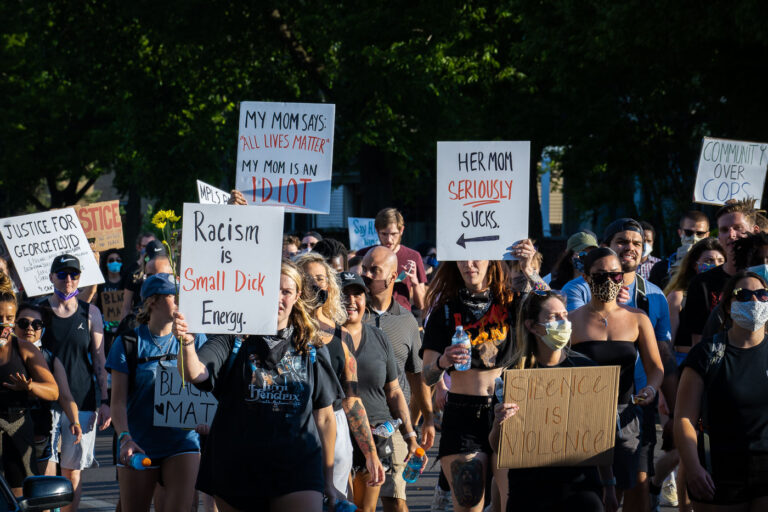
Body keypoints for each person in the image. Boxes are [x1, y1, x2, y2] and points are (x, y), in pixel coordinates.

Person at [174, 261, 341, 512]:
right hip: (237, 467)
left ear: (297, 296)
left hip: (297, 467)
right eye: (272, 289)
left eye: (286, 291)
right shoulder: (233, 337)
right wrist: (187, 343)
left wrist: (328, 481)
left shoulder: (311, 346)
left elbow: (326, 419)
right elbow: (195, 372)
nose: (278, 298)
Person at [420, 244, 537, 512]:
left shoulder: (511, 301)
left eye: (476, 257)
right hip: (463, 415)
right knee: (469, 504)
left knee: (513, 503)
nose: (468, 263)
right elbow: (427, 376)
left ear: (492, 261)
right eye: (461, 257)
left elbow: (549, 301)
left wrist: (529, 269)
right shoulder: (444, 311)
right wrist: (443, 361)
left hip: (508, 410)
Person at [490, 290, 617, 512]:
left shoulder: (587, 372)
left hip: (581, 489)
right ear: (531, 326)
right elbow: (496, 446)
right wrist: (498, 422)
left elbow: (600, 439)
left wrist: (610, 486)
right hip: (529, 492)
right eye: (553, 317)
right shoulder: (513, 376)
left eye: (565, 315)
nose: (563, 323)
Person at [569, 247, 664, 512]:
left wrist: (652, 389)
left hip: (626, 414)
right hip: (583, 415)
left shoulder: (636, 318)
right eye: (601, 276)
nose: (609, 282)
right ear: (586, 278)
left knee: (622, 489)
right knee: (591, 495)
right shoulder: (571, 321)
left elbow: (655, 367)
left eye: (616, 276)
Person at [107, 273, 205, 512]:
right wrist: (125, 438)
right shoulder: (128, 343)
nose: (182, 301)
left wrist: (205, 417)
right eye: (175, 295)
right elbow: (117, 402)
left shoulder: (196, 338)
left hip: (182, 441)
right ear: (153, 300)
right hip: (140, 443)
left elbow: (206, 384)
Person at [675, 270, 768, 510]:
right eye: (743, 295)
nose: (754, 301)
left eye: (762, 294)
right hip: (720, 470)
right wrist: (693, 468)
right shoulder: (707, 353)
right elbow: (684, 418)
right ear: (728, 307)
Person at [296, 253, 385, 497]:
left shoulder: (341, 335)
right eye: (307, 278)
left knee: (336, 499)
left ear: (329, 285)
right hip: (293, 427)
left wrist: (370, 454)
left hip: (334, 429)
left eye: (320, 278)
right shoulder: (284, 330)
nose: (315, 284)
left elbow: (352, 399)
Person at [360, 246, 435, 512]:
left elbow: (416, 375)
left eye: (374, 270)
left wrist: (427, 418)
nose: (367, 274)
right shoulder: (351, 314)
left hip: (393, 425)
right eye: (365, 268)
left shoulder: (407, 322)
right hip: (354, 424)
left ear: (393, 277)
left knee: (396, 502)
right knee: (359, 504)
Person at [340, 272, 423, 512]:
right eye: (344, 295)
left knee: (366, 509)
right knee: (344, 507)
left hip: (376, 435)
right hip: (339, 435)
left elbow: (394, 391)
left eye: (357, 294)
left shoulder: (379, 338)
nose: (351, 301)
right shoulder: (326, 340)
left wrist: (410, 437)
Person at [41, 254, 111, 512]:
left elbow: (99, 360)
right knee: (46, 474)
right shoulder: (40, 312)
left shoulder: (90, 312)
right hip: (47, 402)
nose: (68, 280)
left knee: (72, 474)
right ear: (51, 277)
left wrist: (105, 401)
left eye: (74, 274)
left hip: (82, 402)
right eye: (62, 274)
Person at [0, 275, 58, 496]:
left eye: (9, 318)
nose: (3, 323)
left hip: (18, 425)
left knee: (21, 496)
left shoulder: (25, 349)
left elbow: (53, 391)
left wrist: (29, 387)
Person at [14, 302, 82, 476]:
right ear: (13, 323)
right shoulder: (6, 354)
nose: (30, 328)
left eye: (36, 324)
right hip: (8, 434)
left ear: (42, 329)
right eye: (23, 323)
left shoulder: (50, 359)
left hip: (40, 435)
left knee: (43, 494)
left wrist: (75, 421)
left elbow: (64, 395)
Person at [681, 199, 761, 347]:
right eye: (724, 230)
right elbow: (699, 345)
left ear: (755, 231)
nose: (731, 234)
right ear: (719, 237)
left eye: (738, 228)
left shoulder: (765, 278)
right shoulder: (701, 284)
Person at [663, 238, 725, 358]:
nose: (715, 265)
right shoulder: (678, 296)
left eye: (720, 261)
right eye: (709, 260)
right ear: (694, 264)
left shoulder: (729, 295)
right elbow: (667, 341)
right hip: (684, 358)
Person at [356, 208, 428, 311]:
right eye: (384, 234)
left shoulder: (413, 256)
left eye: (394, 234)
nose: (389, 240)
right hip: (369, 316)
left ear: (401, 230)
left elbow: (421, 305)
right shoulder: (364, 255)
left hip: (401, 319)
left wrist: (415, 282)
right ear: (376, 230)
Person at [648, 210, 710, 289]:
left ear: (707, 235)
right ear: (680, 233)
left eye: (700, 233)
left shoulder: (712, 266)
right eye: (688, 232)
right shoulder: (661, 268)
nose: (694, 238)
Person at [120, 232, 158, 321]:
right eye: (145, 246)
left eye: (151, 245)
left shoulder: (162, 271)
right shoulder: (132, 273)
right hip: (139, 319)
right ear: (139, 247)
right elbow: (126, 305)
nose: (149, 249)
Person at [96, 248, 126, 356]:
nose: (115, 262)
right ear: (106, 263)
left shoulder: (126, 282)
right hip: (105, 331)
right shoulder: (100, 284)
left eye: (118, 260)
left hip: (123, 328)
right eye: (111, 260)